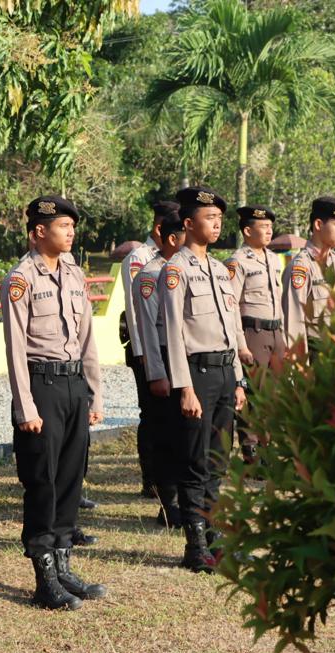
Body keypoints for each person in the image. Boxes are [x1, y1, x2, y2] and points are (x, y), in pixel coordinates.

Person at [0, 195, 106, 611]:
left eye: (72, 226)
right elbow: (14, 348)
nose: (71, 232)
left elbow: (87, 339)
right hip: (40, 386)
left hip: (73, 384)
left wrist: (93, 393)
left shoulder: (75, 274)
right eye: (63, 226)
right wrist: (24, 406)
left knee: (69, 478)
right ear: (39, 232)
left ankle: (63, 564)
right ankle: (44, 576)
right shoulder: (21, 279)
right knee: (42, 482)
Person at [160, 187, 247, 574]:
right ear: (189, 223)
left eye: (219, 219)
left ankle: (217, 537)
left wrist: (240, 380)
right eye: (209, 218)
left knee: (218, 460)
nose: (217, 224)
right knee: (195, 461)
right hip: (198, 373)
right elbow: (174, 334)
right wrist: (185, 387)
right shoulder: (175, 270)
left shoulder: (218, 268)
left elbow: (232, 326)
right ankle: (195, 543)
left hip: (226, 372)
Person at [131, 210, 186, 528]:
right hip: (164, 356)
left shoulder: (190, 270)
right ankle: (169, 504)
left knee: (185, 435)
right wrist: (157, 372)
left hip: (187, 357)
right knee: (165, 434)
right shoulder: (150, 275)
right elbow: (149, 330)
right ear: (171, 239)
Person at [121, 200, 180, 498]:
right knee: (152, 414)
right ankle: (152, 478)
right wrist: (144, 352)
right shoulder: (139, 258)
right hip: (145, 346)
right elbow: (136, 311)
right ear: (161, 228)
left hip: (170, 347)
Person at [224, 205, 285, 463]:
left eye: (271, 226)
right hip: (253, 333)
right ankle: (252, 450)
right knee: (252, 395)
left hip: (275, 332)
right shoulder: (238, 262)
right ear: (248, 230)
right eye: (263, 227)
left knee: (273, 394)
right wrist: (241, 345)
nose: (269, 231)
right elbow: (232, 306)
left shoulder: (273, 259)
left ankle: (269, 447)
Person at [282, 197, 335, 358]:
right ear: (319, 225)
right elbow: (294, 320)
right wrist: (298, 365)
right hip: (318, 357)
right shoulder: (301, 267)